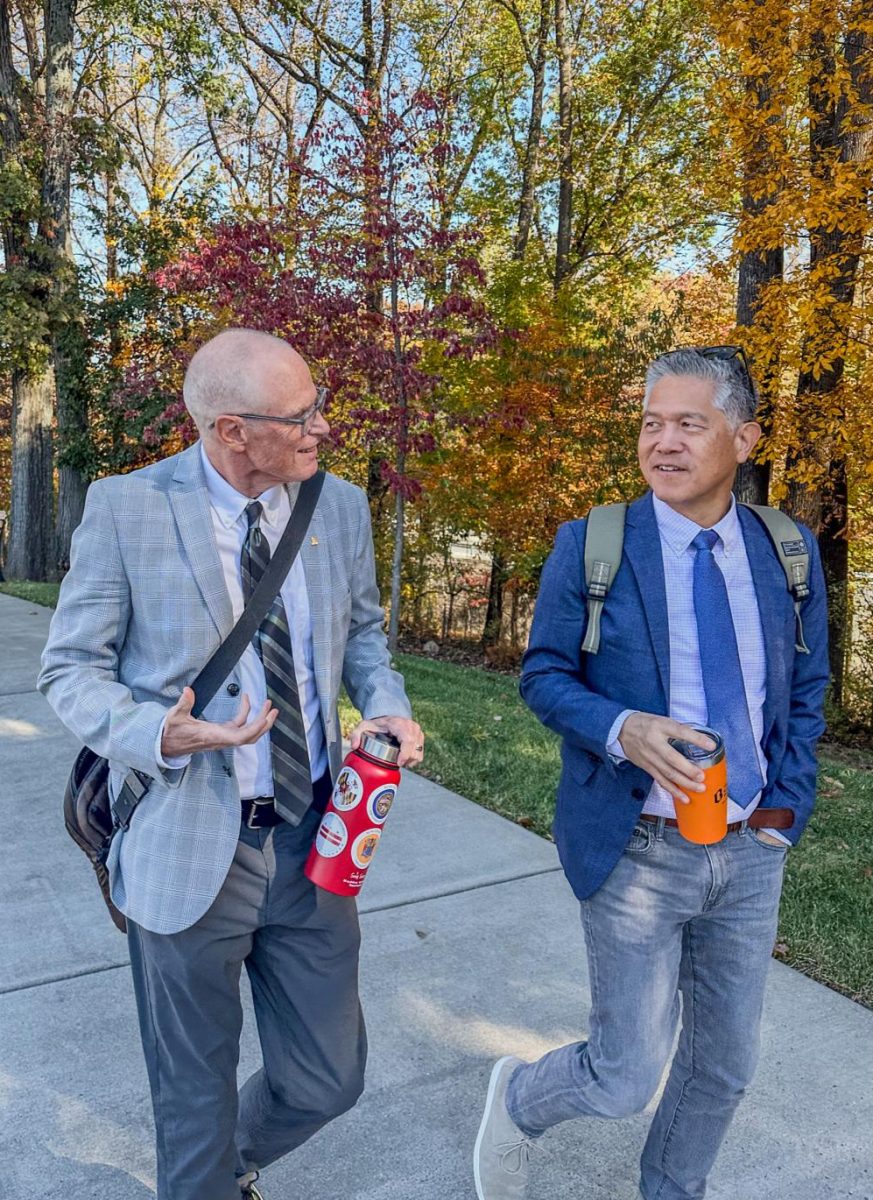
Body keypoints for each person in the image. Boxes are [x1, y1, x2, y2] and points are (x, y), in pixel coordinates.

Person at [39, 329, 424, 1200]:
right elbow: (68, 670)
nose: (324, 428)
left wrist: (387, 701)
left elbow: (363, 635)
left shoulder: (339, 506)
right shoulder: (127, 507)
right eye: (301, 416)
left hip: (315, 846)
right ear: (229, 431)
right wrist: (156, 734)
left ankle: (227, 1166)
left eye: (318, 405)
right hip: (186, 842)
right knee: (190, 1098)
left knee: (329, 1077)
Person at [473, 346, 829, 1200]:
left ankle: (673, 1189)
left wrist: (782, 810)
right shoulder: (594, 544)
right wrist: (621, 728)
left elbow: (804, 689)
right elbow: (543, 674)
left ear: (742, 438)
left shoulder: (787, 550)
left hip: (748, 848)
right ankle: (520, 1098)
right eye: (649, 424)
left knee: (724, 1066)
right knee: (624, 1074)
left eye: (687, 425)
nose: (661, 443)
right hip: (636, 843)